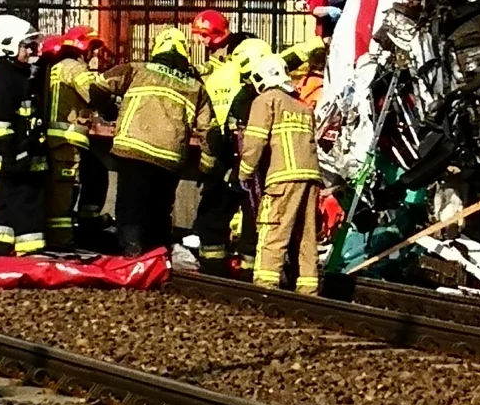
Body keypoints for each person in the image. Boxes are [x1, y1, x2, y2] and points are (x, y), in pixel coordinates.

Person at [100, 27, 217, 257]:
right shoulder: (196, 86)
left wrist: (108, 112)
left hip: (133, 150)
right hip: (169, 157)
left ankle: (132, 253)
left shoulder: (135, 69)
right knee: (160, 209)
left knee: (130, 206)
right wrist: (206, 166)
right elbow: (210, 132)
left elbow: (99, 86)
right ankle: (158, 256)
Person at [239, 54, 323, 291]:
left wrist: (244, 173)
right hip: (311, 177)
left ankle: (266, 285)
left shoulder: (266, 100)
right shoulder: (302, 107)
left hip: (282, 178)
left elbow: (254, 142)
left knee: (273, 228)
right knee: (306, 236)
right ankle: (309, 287)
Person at [193, 36, 274, 275]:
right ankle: (245, 267)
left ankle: (214, 264)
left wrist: (210, 166)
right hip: (249, 164)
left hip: (227, 159)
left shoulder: (227, 80)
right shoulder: (260, 93)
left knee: (217, 212)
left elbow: (216, 127)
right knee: (251, 216)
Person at [0, 15, 48, 257]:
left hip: (16, 156)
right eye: (25, 45)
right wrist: (15, 155)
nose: (30, 50)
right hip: (15, 157)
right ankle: (31, 254)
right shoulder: (5, 78)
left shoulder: (18, 74)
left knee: (4, 206)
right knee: (27, 204)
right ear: (7, 44)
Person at [42, 25, 110, 250]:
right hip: (66, 141)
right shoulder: (75, 68)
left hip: (55, 140)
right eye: (93, 47)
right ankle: (61, 244)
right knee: (64, 193)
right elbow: (94, 93)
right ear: (83, 46)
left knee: (62, 188)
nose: (95, 54)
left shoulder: (56, 67)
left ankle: (65, 235)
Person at [191, 9, 232, 76]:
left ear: (217, 33)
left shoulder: (231, 49)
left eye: (204, 35)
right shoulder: (215, 49)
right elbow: (212, 65)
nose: (201, 39)